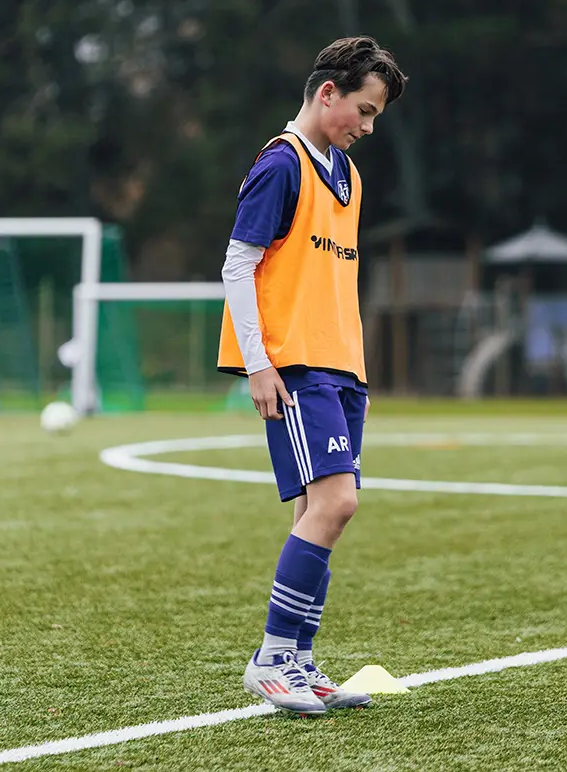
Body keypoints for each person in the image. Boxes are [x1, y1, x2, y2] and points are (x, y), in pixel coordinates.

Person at [217, 36, 408, 715]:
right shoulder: (282, 163)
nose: (369, 126)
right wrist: (258, 363)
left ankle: (298, 659)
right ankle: (271, 658)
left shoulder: (347, 175)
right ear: (328, 92)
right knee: (337, 503)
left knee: (318, 510)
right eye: (365, 109)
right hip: (296, 363)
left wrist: (357, 372)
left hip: (340, 367)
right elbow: (238, 265)